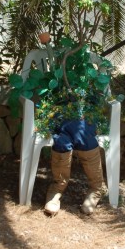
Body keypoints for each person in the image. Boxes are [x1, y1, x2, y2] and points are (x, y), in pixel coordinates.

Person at [36, 33, 106, 216]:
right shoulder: (56, 73)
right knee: (65, 137)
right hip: (61, 113)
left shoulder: (86, 72)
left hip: (84, 113)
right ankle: (62, 189)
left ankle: (70, 188)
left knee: (76, 130)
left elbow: (96, 98)